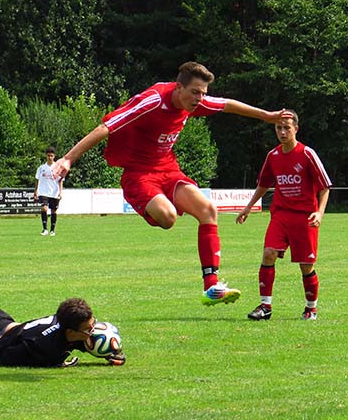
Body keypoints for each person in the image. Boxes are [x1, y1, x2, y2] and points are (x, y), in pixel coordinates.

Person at [51, 61, 293, 306]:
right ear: (179, 88)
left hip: (168, 169)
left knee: (208, 210)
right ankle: (147, 205)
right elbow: (106, 127)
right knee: (167, 219)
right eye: (195, 92)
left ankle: (211, 287)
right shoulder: (153, 100)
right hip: (138, 174)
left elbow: (227, 104)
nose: (200, 98)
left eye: (203, 93)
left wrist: (266, 116)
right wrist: (68, 159)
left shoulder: (195, 101)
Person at [236, 111, 331, 321]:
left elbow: (325, 187)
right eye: (278, 127)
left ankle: (310, 308)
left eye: (286, 127)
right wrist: (248, 207)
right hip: (280, 215)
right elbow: (263, 184)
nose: (282, 131)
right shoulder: (273, 156)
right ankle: (265, 306)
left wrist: (319, 212)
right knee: (269, 253)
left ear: (295, 129)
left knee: (306, 266)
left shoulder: (307, 154)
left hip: (304, 217)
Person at [34, 146, 63, 236]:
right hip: (43, 192)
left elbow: (61, 180)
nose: (50, 157)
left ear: (54, 156)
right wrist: (36, 191)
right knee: (44, 208)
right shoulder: (41, 168)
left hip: (54, 192)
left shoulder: (58, 167)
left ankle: (52, 230)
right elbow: (37, 179)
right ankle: (45, 229)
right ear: (46, 156)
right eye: (48, 155)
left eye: (51, 156)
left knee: (53, 211)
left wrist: (61, 192)